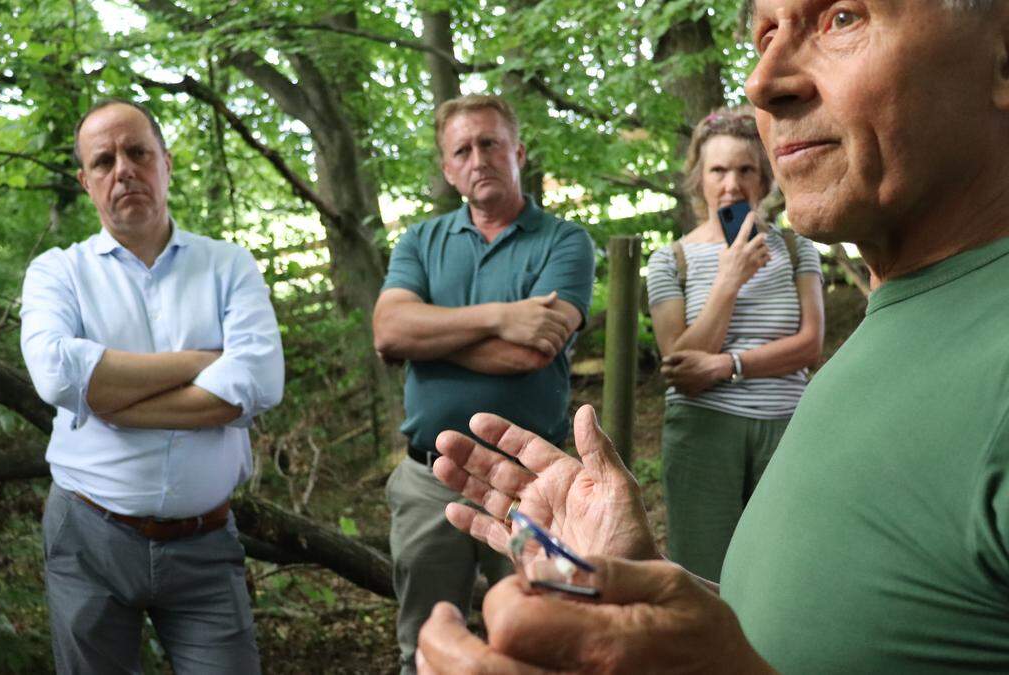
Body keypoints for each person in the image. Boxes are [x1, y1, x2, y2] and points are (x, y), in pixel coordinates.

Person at [416, 0, 1009, 672]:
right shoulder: (903, 313)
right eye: (765, 34)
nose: (761, 81)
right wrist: (653, 591)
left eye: (841, 17)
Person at [19, 99, 283, 674]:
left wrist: (114, 400)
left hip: (205, 543)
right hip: (89, 536)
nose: (124, 170)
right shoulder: (57, 272)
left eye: (138, 153)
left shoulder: (227, 266)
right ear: (86, 182)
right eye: (104, 160)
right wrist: (198, 361)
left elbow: (259, 379)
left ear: (165, 162)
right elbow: (58, 374)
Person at [372, 94, 594, 674]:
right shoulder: (420, 241)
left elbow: (535, 350)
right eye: (462, 150)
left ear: (517, 151)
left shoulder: (565, 240)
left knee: (551, 634)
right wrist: (501, 316)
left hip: (532, 484)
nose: (478, 159)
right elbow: (390, 331)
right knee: (423, 647)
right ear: (448, 170)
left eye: (490, 143)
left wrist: (433, 338)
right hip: (428, 482)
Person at [647, 107, 823, 582]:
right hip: (704, 431)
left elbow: (809, 345)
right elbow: (680, 364)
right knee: (704, 571)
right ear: (698, 181)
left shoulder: (795, 247)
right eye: (718, 170)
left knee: (785, 567)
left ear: (764, 178)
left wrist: (727, 365)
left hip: (787, 426)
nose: (731, 183)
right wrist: (728, 279)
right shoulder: (671, 260)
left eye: (745, 169)